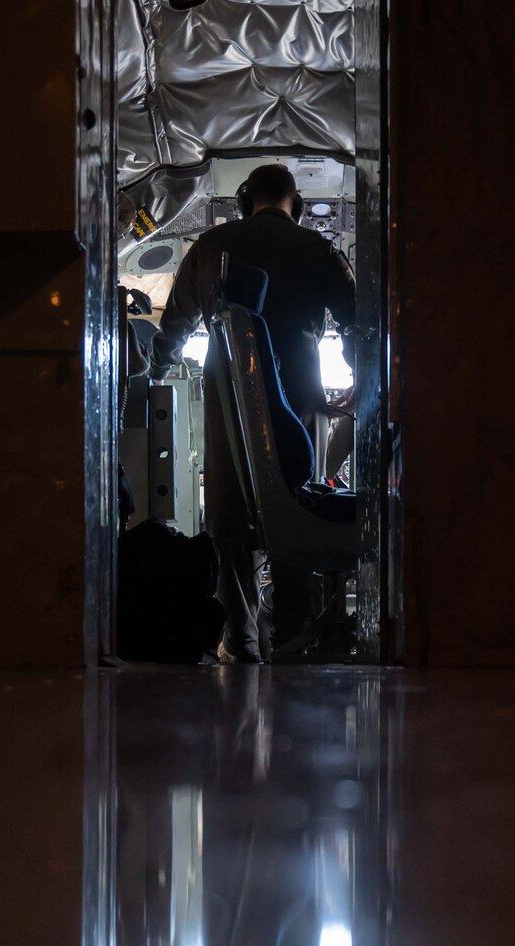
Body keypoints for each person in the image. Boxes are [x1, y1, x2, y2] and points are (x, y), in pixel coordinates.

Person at [151, 164, 357, 662]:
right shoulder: (320, 251)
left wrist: (154, 369)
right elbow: (360, 330)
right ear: (297, 203)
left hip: (228, 406)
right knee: (297, 504)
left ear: (246, 200)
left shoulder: (208, 248)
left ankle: (239, 638)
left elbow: (172, 332)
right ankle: (292, 634)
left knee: (227, 518)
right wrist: (360, 382)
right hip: (300, 407)